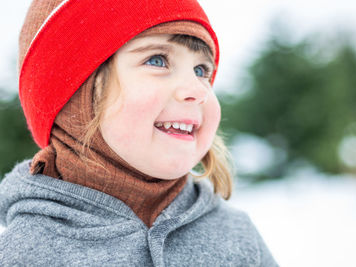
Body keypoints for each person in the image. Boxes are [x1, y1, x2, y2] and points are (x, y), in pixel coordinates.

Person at [0, 0, 278, 266]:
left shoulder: (237, 237)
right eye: (157, 60)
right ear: (76, 98)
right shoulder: (27, 252)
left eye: (201, 70)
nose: (197, 90)